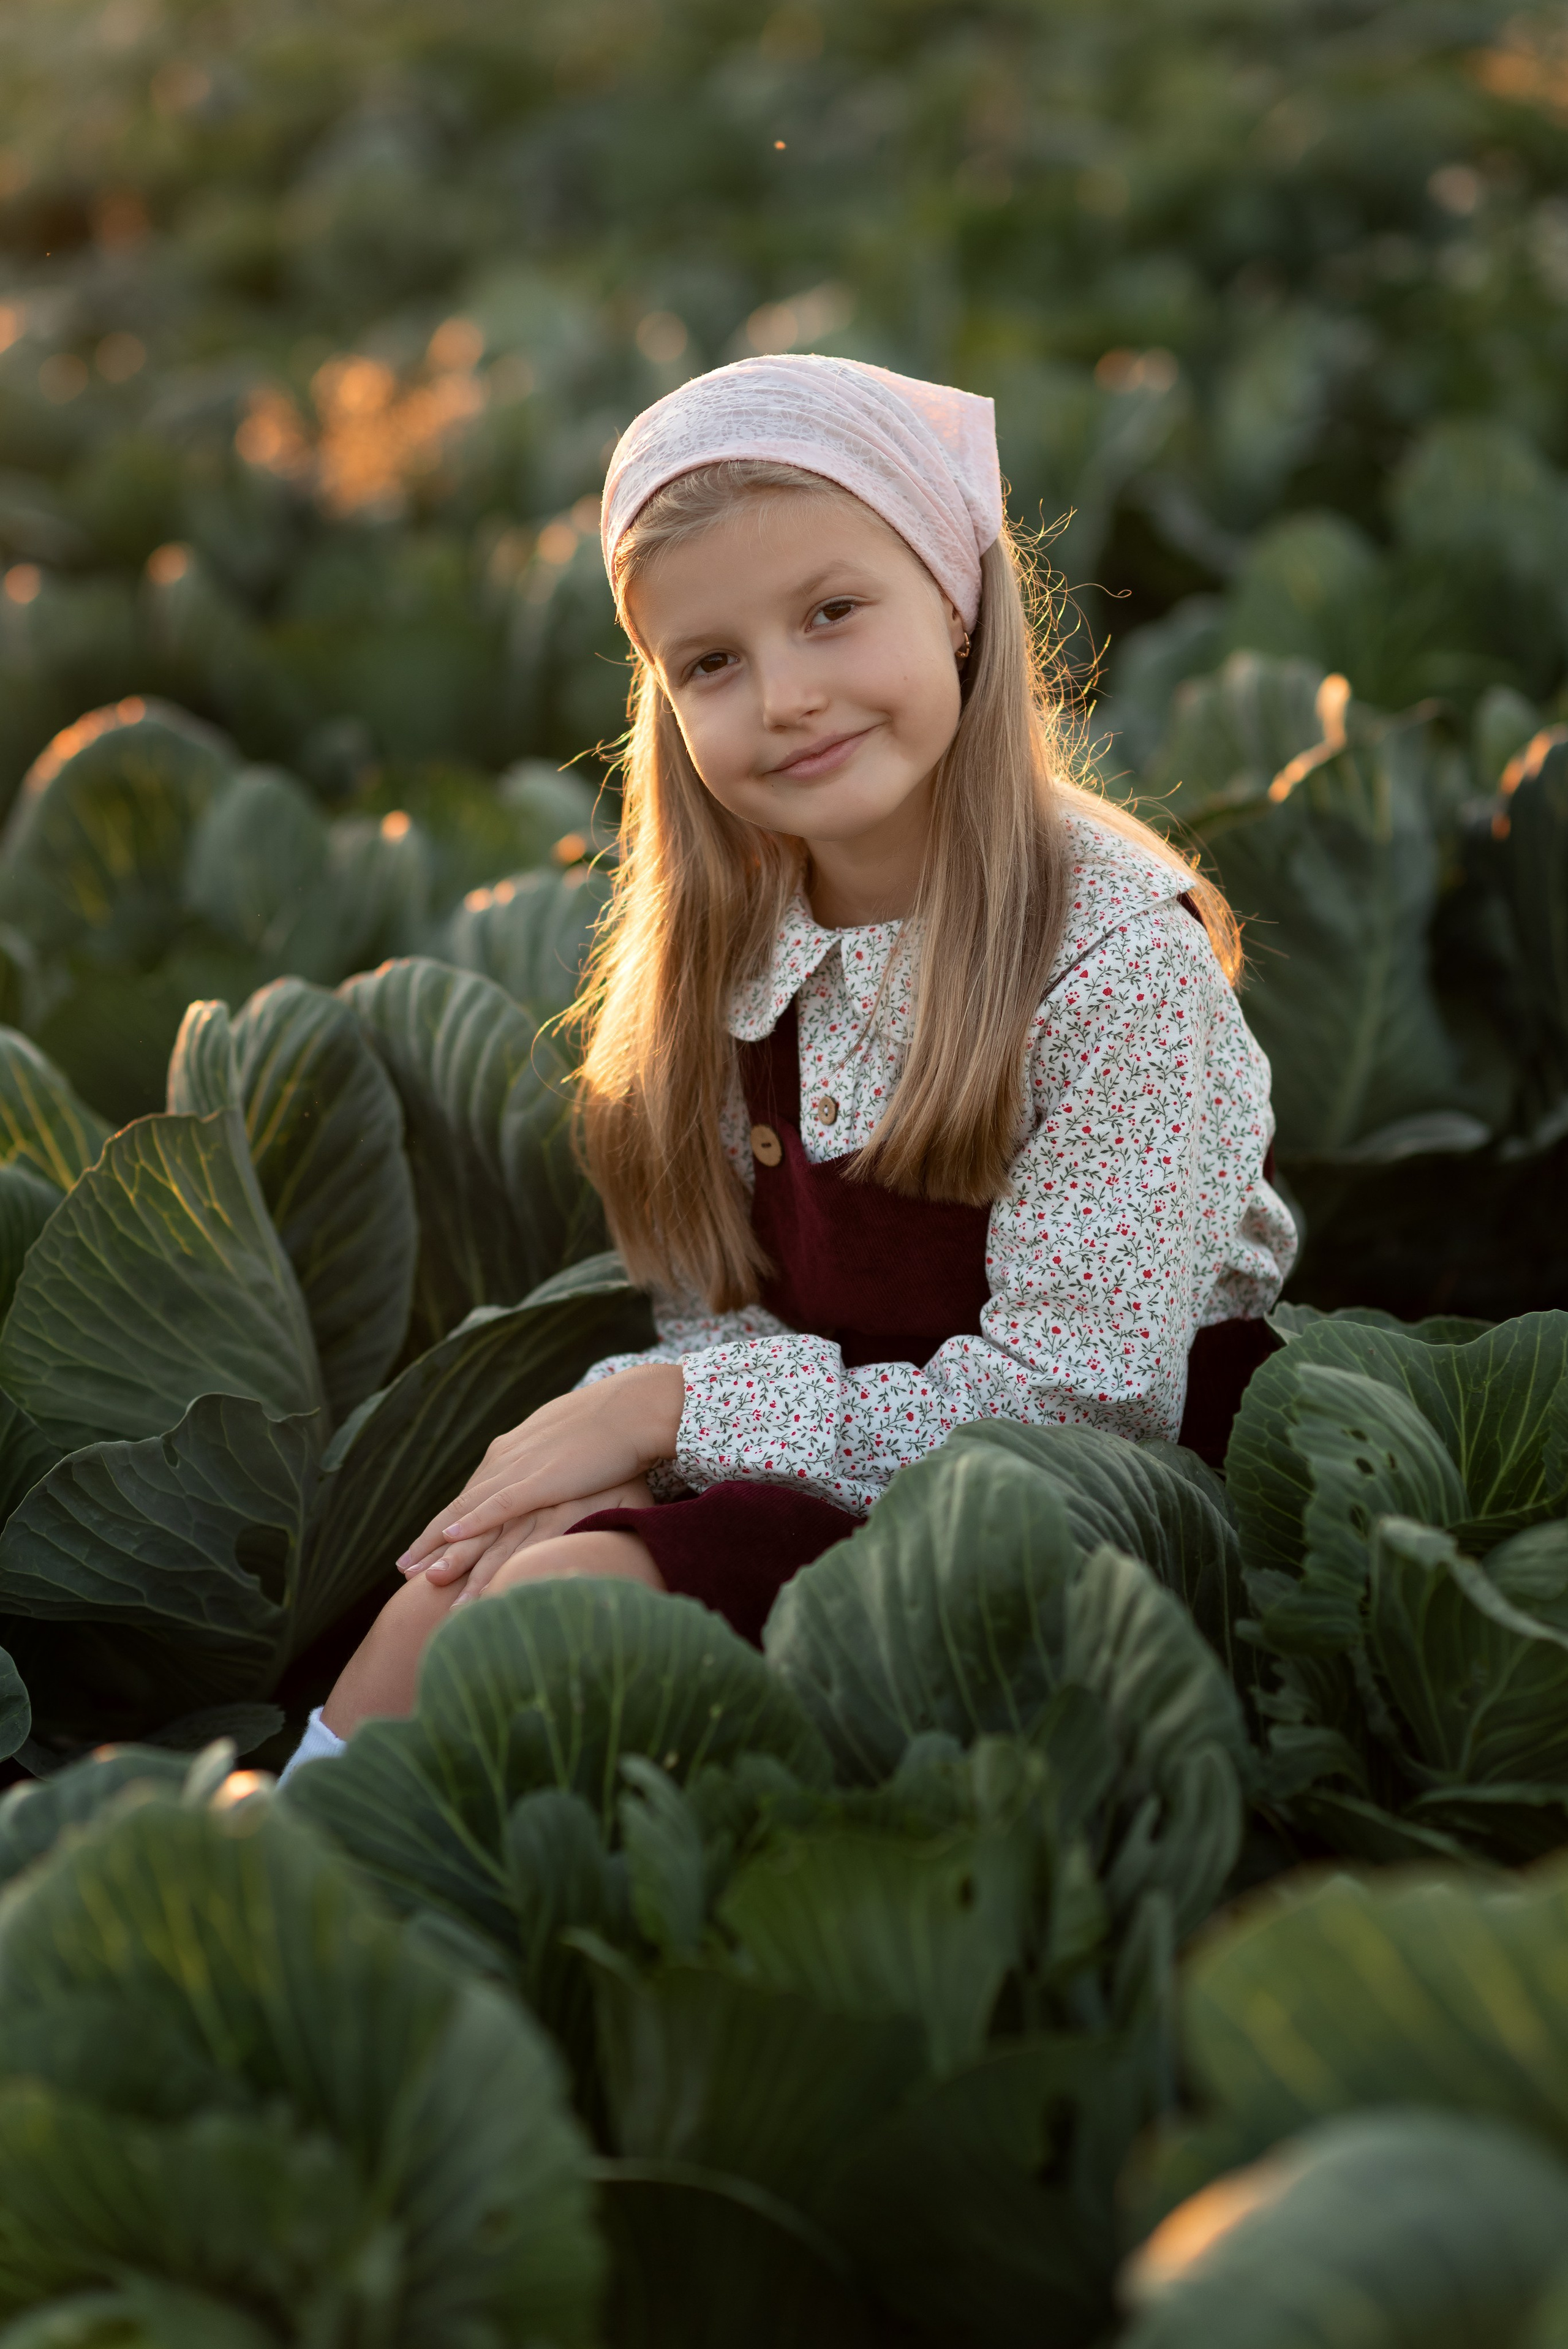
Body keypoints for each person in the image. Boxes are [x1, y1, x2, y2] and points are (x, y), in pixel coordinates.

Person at [283, 352, 1295, 1776]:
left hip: (1075, 1529)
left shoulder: (1113, 961)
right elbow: (720, 1312)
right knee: (473, 1568)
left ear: (952, 604)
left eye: (830, 613)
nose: (786, 695)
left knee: (567, 1606)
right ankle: (296, 1852)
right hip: (835, 1468)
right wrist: (652, 1442)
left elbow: (1085, 1402)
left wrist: (662, 1412)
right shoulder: (729, 962)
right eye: (712, 662)